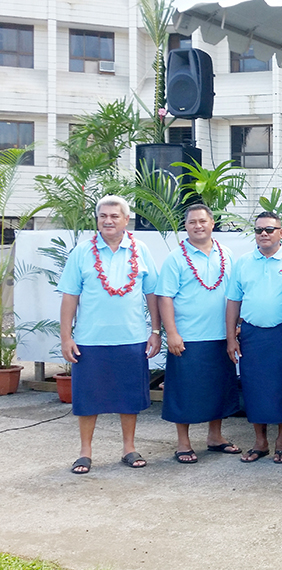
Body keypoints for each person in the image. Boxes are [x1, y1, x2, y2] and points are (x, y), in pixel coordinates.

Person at [58, 196, 162, 474]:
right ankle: (85, 451)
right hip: (90, 339)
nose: (108, 221)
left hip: (131, 337)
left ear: (126, 220)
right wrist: (66, 337)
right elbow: (70, 297)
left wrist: (155, 331)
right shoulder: (82, 252)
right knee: (87, 398)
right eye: (103, 216)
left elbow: (152, 293)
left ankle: (129, 447)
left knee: (129, 397)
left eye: (114, 216)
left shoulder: (140, 250)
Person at [157, 204, 240, 464]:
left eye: (202, 221)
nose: (198, 226)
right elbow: (165, 297)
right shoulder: (175, 258)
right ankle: (183, 443)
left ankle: (215, 437)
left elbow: (234, 294)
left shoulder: (226, 254)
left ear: (212, 223)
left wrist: (234, 329)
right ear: (186, 226)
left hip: (220, 336)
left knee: (219, 389)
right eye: (192, 222)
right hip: (188, 337)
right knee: (184, 392)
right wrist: (171, 333)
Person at [225, 211, 282, 464]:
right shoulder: (243, 262)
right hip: (251, 335)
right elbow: (233, 301)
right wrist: (230, 338)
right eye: (259, 230)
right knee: (253, 387)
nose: (264, 234)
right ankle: (260, 442)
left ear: (281, 232)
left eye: (270, 229)